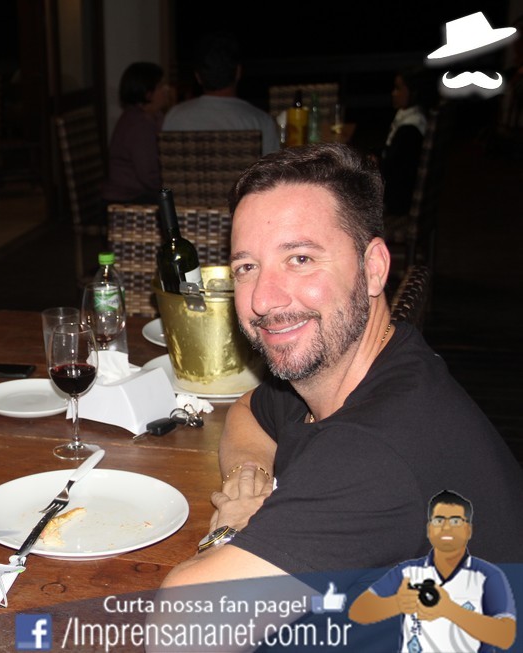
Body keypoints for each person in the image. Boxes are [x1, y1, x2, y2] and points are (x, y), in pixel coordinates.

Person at [161, 143, 523, 589]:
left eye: (300, 259)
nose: (263, 299)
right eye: (247, 267)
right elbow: (248, 411)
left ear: (374, 268)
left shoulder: (374, 452)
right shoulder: (356, 368)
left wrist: (232, 529)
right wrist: (248, 481)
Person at [350, 490, 516, 653]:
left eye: (455, 521)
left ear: (468, 530)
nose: (446, 527)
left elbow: (506, 636)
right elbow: (358, 611)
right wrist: (397, 603)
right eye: (439, 520)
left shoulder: (487, 576)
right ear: (429, 529)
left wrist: (448, 609)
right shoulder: (408, 572)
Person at [162, 31, 280, 156]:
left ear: (198, 77)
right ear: (238, 72)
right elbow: (273, 166)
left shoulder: (175, 117)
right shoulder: (259, 121)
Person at [101, 61, 174, 204]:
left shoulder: (152, 116)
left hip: (139, 194)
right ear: (148, 94)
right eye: (161, 86)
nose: (166, 89)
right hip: (126, 200)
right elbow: (150, 177)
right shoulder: (139, 124)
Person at [382, 67, 436, 215]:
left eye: (398, 89)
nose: (394, 93)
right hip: (397, 189)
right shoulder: (409, 115)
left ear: (414, 92)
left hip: (399, 201)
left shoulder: (410, 129)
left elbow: (392, 169)